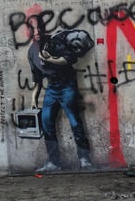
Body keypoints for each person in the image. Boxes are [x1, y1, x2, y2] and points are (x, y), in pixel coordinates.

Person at [28, 25, 94, 172]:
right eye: (34, 30)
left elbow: (68, 59)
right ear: (29, 32)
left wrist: (50, 58)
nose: (37, 32)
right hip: (51, 88)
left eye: (39, 29)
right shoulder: (32, 52)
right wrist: (34, 99)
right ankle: (54, 162)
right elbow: (37, 80)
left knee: (75, 122)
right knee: (46, 123)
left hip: (67, 85)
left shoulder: (56, 41)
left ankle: (84, 160)